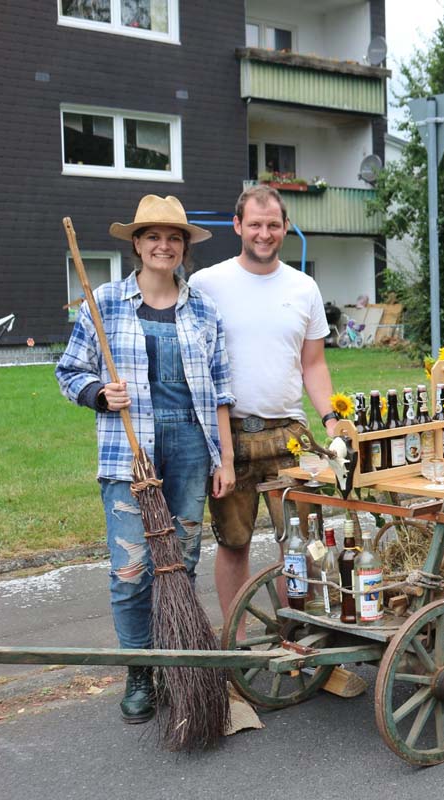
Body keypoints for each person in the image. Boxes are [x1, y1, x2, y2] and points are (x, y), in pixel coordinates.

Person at [56, 195, 235, 723]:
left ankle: (177, 663)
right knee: (132, 568)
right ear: (136, 244)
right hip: (129, 451)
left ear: (184, 247)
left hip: (188, 450)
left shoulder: (203, 309)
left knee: (181, 562)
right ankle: (140, 672)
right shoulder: (104, 303)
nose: (164, 245)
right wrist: (97, 392)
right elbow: (68, 371)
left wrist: (223, 459)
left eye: (174, 237)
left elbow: (221, 390)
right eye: (153, 236)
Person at [188, 185, 340, 625]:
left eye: (273, 224)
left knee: (299, 542)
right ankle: (238, 643)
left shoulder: (304, 287)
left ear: (285, 227)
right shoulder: (206, 284)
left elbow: (313, 364)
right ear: (238, 226)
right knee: (233, 543)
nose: (264, 233)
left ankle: (295, 635)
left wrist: (330, 419)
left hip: (289, 435)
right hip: (228, 436)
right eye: (255, 224)